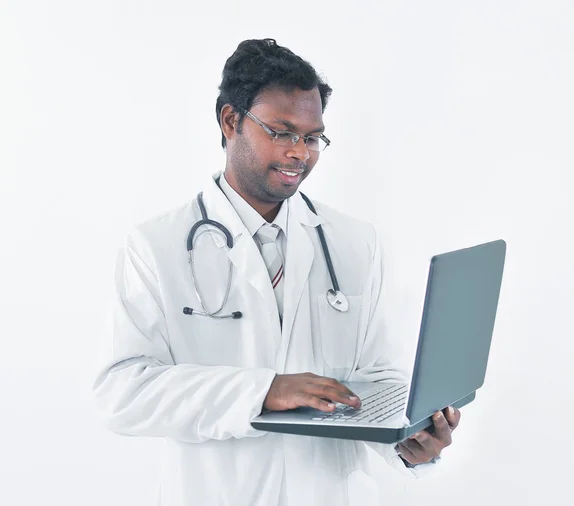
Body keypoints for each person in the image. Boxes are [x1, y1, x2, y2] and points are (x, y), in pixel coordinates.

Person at [92, 38, 461, 506]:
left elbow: (377, 375)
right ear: (230, 121)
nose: (299, 154)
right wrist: (263, 390)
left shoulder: (354, 241)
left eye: (311, 138)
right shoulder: (156, 245)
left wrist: (408, 444)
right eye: (282, 132)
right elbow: (124, 392)